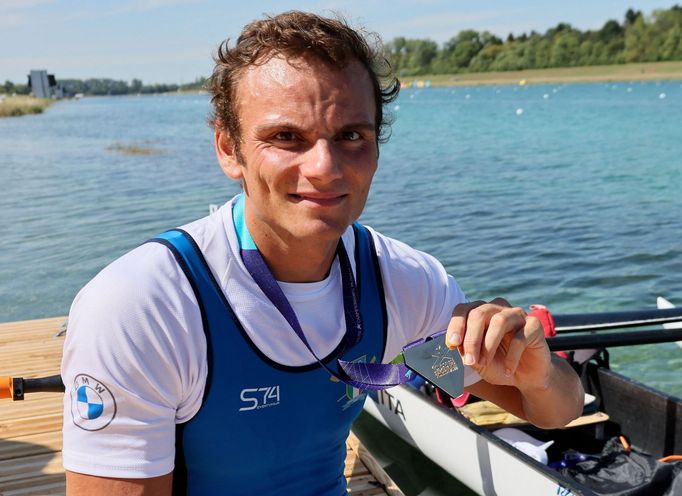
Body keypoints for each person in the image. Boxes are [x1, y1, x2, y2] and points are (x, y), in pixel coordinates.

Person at [61, 11, 584, 496]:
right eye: (286, 137)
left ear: (377, 145)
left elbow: (553, 410)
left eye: (351, 135)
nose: (326, 168)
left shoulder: (405, 285)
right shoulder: (142, 308)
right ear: (229, 149)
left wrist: (534, 372)